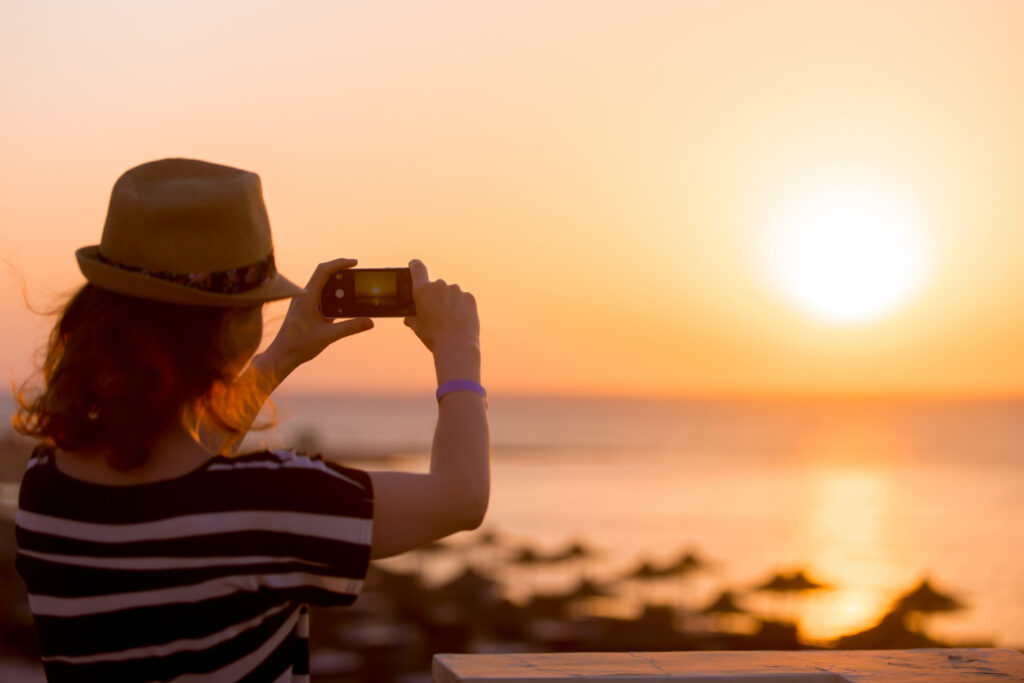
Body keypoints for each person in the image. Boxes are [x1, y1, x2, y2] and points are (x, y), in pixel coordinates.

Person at [12, 158, 490, 681]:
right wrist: (459, 352)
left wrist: (283, 353)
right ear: (229, 333)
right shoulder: (269, 503)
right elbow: (460, 496)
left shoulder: (43, 490)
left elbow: (181, 474)